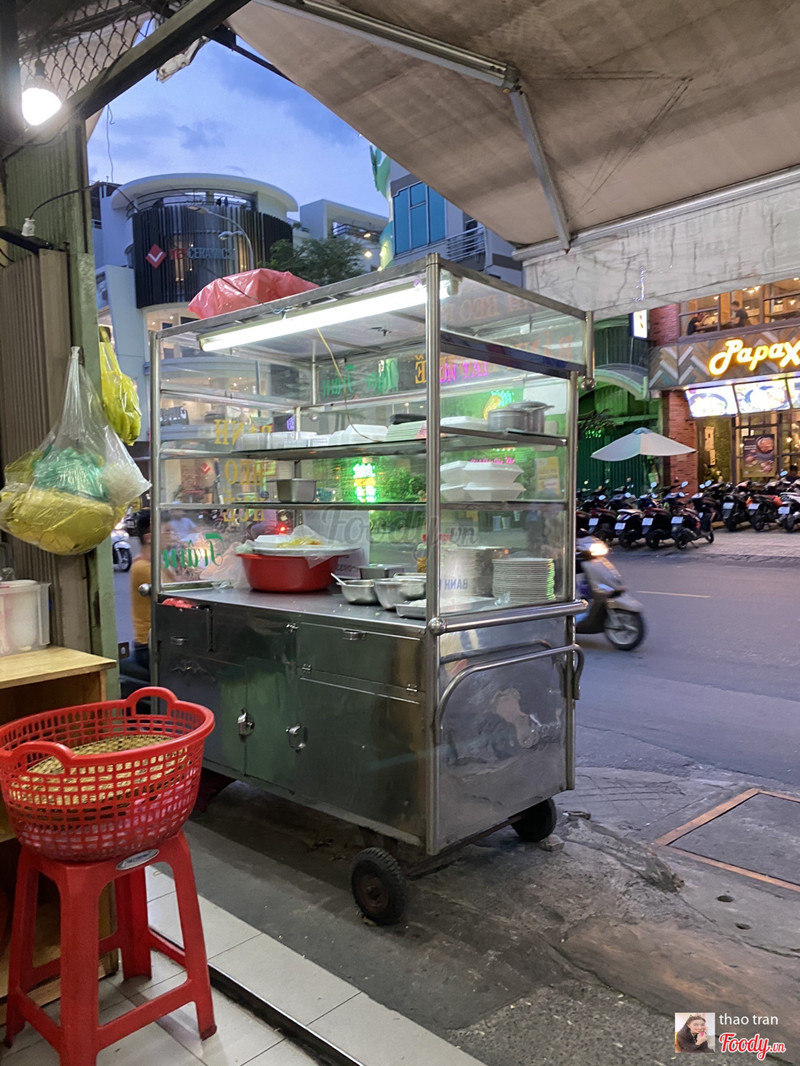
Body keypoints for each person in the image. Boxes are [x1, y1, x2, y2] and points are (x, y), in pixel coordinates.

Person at [129, 509, 152, 674]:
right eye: (167, 531)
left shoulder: (159, 563)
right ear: (149, 537)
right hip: (148, 646)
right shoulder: (143, 567)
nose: (174, 536)